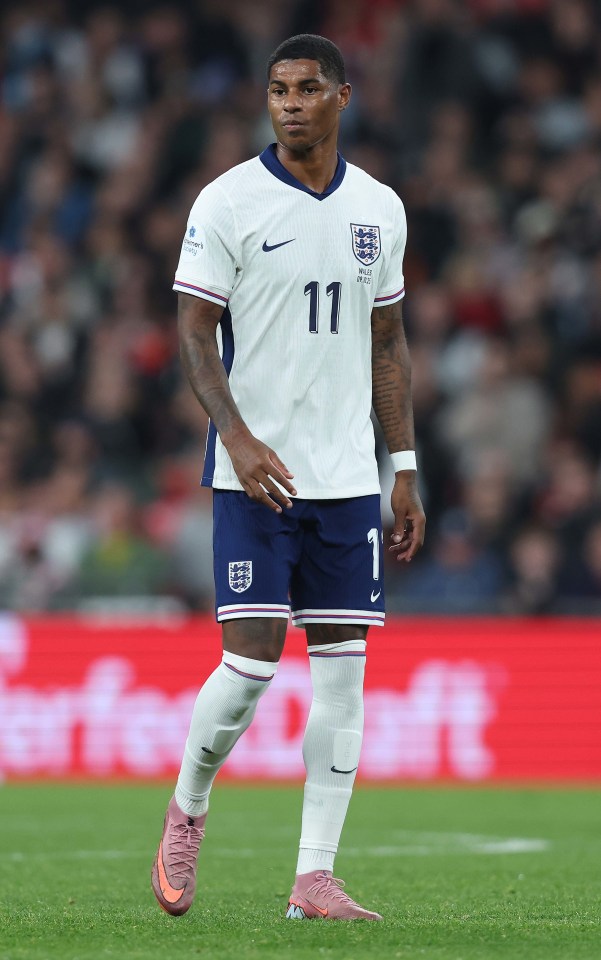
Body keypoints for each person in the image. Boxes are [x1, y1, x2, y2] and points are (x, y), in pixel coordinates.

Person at [151, 33, 425, 922]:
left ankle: (314, 878)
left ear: (342, 97)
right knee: (251, 662)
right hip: (255, 473)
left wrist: (404, 468)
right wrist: (235, 437)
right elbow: (194, 332)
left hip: (346, 476)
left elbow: (387, 346)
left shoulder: (379, 210)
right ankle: (188, 805)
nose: (290, 104)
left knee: (343, 674)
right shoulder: (228, 200)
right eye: (277, 90)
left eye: (308, 89)